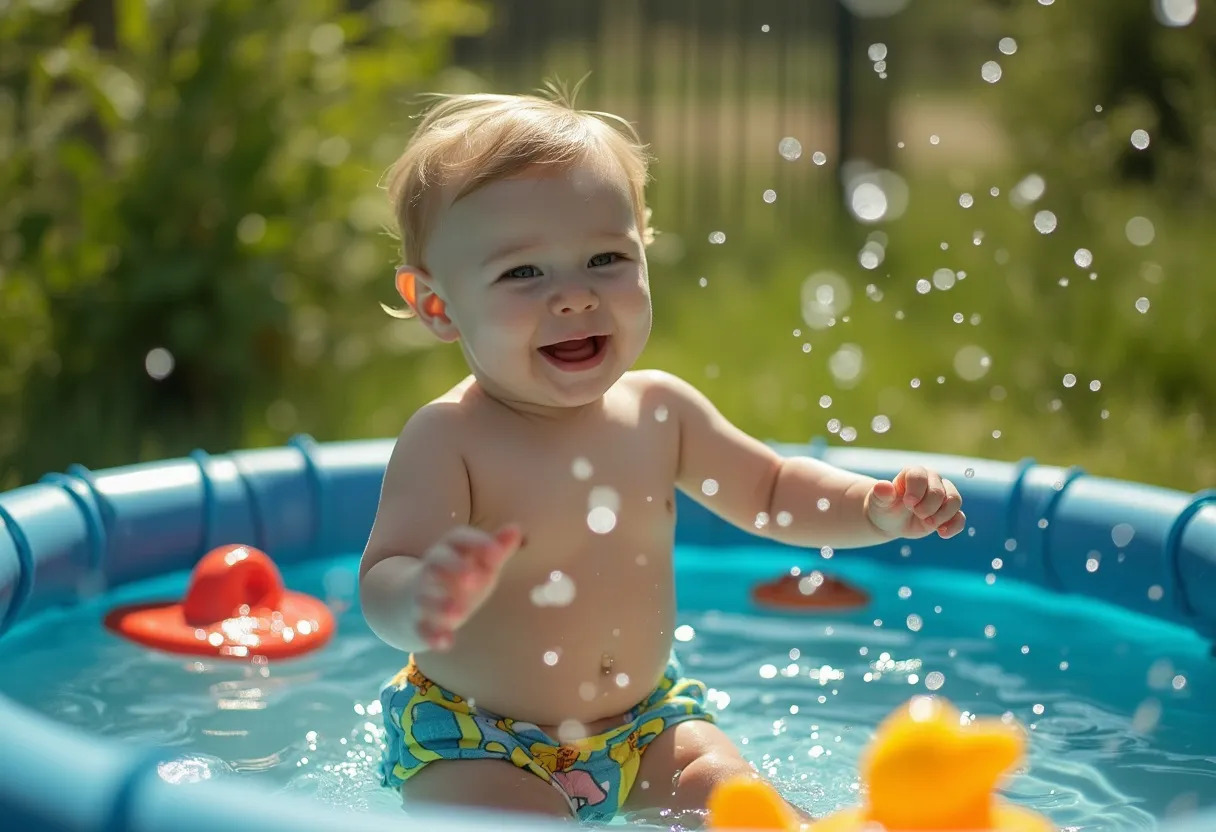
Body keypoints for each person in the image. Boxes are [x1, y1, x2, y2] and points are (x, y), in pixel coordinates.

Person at [359, 84, 966, 826]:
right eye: (524, 272)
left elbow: (771, 491)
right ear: (437, 305)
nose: (574, 296)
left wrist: (872, 509)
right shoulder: (449, 438)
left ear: (645, 252)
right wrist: (421, 600)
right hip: (479, 742)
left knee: (744, 805)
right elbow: (382, 576)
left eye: (606, 258)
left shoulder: (659, 413)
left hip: (648, 727)